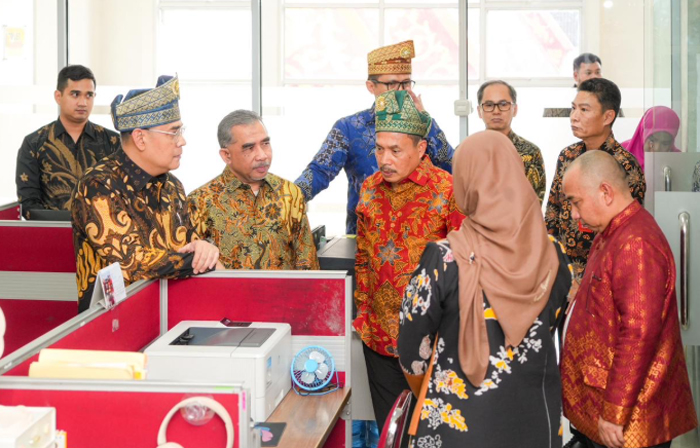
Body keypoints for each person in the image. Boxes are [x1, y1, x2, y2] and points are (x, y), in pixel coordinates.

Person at [398, 131, 572, 447]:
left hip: (457, 424)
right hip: (535, 421)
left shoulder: (443, 259)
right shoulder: (556, 256)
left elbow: (412, 353)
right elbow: (554, 324)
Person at [560, 150, 697, 448]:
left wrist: (614, 412)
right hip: (606, 408)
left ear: (605, 192)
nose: (574, 214)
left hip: (628, 421)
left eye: (575, 202)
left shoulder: (636, 243)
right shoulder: (613, 231)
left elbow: (639, 334)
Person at [354, 90, 464, 439]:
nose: (384, 159)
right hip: (378, 337)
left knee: (433, 434)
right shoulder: (369, 188)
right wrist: (362, 313)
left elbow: (464, 266)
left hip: (433, 343)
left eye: (395, 150)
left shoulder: (448, 190)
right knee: (392, 432)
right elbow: (363, 256)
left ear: (421, 148)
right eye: (379, 149)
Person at [72, 75, 221, 313]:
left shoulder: (172, 186)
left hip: (170, 313)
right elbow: (133, 262)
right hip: (114, 322)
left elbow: (191, 244)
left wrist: (205, 248)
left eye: (181, 130)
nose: (182, 141)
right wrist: (199, 260)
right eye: (173, 132)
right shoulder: (98, 186)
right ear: (140, 138)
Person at [295, 40, 454, 234]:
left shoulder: (423, 126)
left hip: (421, 236)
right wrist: (287, 200)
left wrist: (427, 123)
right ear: (371, 86)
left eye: (406, 83)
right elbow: (319, 171)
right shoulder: (349, 127)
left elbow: (453, 168)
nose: (401, 91)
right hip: (366, 236)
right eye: (392, 84)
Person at [187, 110, 319, 270]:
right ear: (226, 155)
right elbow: (192, 265)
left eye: (265, 144)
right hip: (227, 287)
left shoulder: (289, 193)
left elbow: (307, 261)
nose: (262, 155)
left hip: (284, 287)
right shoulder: (201, 200)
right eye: (249, 148)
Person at [545, 78, 645, 281]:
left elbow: (627, 230)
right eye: (573, 108)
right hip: (563, 271)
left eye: (584, 110)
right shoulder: (567, 156)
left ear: (608, 116)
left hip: (603, 274)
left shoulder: (624, 165)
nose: (574, 117)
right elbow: (552, 214)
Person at [16, 65, 120, 219]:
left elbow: (125, 194)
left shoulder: (112, 142)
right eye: (75, 94)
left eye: (89, 95)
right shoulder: (34, 143)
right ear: (58, 97)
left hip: (105, 232)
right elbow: (29, 203)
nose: (83, 102)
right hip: (51, 231)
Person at [476, 80, 546, 203]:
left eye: (503, 104)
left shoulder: (530, 152)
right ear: (479, 111)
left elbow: (534, 202)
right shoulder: (466, 151)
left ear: (515, 109)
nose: (496, 111)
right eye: (489, 105)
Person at [621, 106, 681, 171]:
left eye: (665, 143)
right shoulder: (620, 152)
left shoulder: (679, 160)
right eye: (652, 141)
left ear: (671, 142)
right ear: (642, 134)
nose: (657, 148)